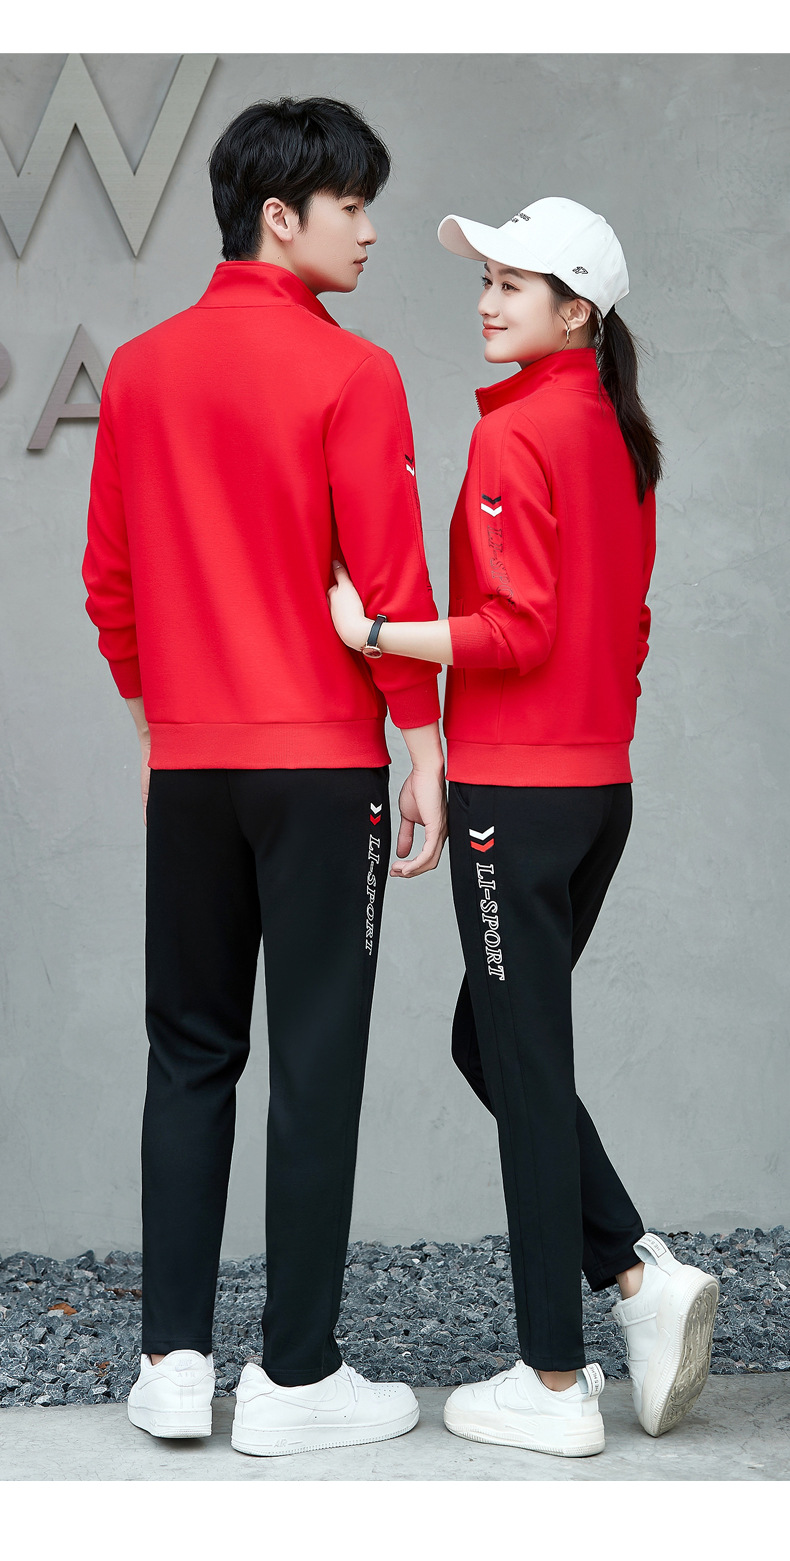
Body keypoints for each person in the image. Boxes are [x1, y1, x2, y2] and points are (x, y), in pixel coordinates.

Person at [82, 96, 448, 1458]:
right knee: (316, 1057)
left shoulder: (138, 370)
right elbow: (389, 581)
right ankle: (294, 1375)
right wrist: (423, 744)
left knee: (188, 1053)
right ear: (279, 216)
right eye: (352, 204)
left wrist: (154, 730)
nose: (370, 229)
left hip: (190, 767)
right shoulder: (354, 372)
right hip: (321, 771)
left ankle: (173, 1363)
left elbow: (108, 581)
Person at [328, 195, 720, 1458]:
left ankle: (553, 1380)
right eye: (485, 278)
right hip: (596, 792)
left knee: (523, 1060)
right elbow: (626, 628)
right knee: (497, 1043)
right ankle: (634, 1270)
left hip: (521, 799)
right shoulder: (617, 431)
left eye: (513, 281)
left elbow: (518, 629)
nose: (488, 300)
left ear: (577, 309)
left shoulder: (517, 434)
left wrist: (373, 631)